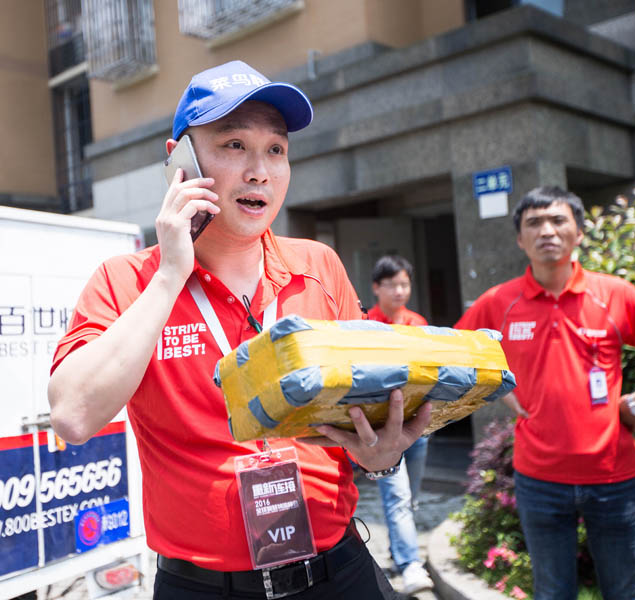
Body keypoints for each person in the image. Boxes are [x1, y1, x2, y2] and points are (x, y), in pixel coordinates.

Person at [48, 60, 431, 599]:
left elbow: (361, 407)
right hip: (203, 586)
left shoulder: (318, 266)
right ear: (179, 159)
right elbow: (73, 416)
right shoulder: (128, 281)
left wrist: (378, 456)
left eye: (276, 149)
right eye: (233, 145)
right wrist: (171, 275)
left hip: (336, 569)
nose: (260, 171)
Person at [455, 186, 635, 600]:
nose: (546, 231)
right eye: (534, 223)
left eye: (558, 220)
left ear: (579, 232)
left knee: (627, 592)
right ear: (520, 239)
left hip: (613, 476)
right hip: (539, 479)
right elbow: (453, 354)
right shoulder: (499, 302)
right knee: (552, 593)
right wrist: (496, 387)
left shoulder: (614, 295)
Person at [367, 255, 433, 594]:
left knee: (409, 495)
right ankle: (410, 565)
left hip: (417, 426)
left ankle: (399, 551)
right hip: (382, 430)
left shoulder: (418, 323)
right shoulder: (363, 323)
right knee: (398, 494)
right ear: (377, 287)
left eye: (404, 284)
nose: (399, 290)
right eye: (392, 284)